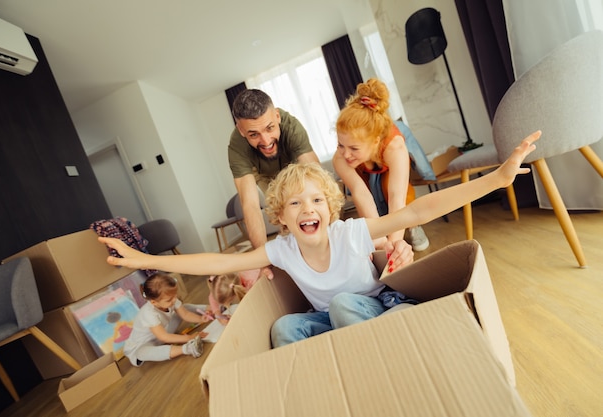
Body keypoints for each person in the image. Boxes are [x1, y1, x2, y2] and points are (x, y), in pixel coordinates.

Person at [100, 130, 539, 348]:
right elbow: (214, 264)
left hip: (378, 311)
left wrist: (496, 181)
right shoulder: (281, 249)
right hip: (334, 328)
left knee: (347, 303)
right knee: (284, 326)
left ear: (329, 209)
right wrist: (140, 259)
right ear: (282, 220)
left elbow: (417, 210)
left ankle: (397, 350)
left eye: (315, 201)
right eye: (294, 205)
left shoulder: (350, 233)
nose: (307, 209)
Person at [334, 78, 429, 268]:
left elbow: (396, 199)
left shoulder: (395, 146)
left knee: (388, 189)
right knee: (370, 205)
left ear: (376, 142)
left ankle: (413, 227)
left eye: (353, 148)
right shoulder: (342, 158)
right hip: (364, 167)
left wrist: (395, 245)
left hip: (386, 162)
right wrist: (381, 244)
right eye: (340, 145)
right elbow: (362, 195)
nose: (345, 154)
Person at [228, 88, 320, 278]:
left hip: (293, 164)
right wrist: (263, 262)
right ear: (241, 130)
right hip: (262, 173)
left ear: (277, 116)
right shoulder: (236, 147)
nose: (266, 140)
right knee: (283, 212)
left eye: (269, 128)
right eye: (254, 134)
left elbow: (319, 182)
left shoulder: (292, 127)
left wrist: (335, 236)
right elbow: (251, 205)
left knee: (305, 199)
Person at [123, 272, 211, 366]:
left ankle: (211, 308)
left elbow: (185, 314)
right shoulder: (148, 314)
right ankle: (187, 349)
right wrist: (189, 338)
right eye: (169, 300)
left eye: (175, 296)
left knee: (184, 307)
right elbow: (164, 337)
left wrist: (201, 319)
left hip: (162, 333)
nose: (174, 300)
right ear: (154, 302)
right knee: (141, 353)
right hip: (144, 344)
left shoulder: (171, 299)